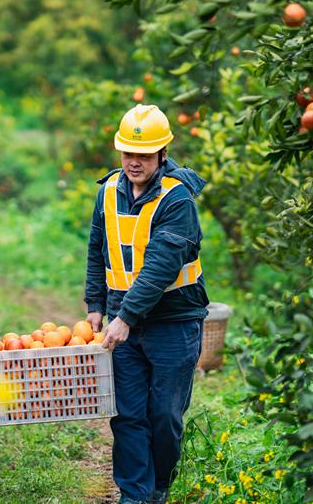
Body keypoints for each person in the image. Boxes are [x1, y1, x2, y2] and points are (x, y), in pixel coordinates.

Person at [84, 104, 209, 504]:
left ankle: (159, 488)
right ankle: (135, 494)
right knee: (127, 415)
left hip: (174, 321)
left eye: (143, 155)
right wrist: (95, 305)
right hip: (124, 320)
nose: (134, 162)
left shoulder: (178, 199)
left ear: (162, 154)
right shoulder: (107, 191)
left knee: (165, 416)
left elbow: (160, 266)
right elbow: (96, 250)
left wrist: (124, 317)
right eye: (128, 154)